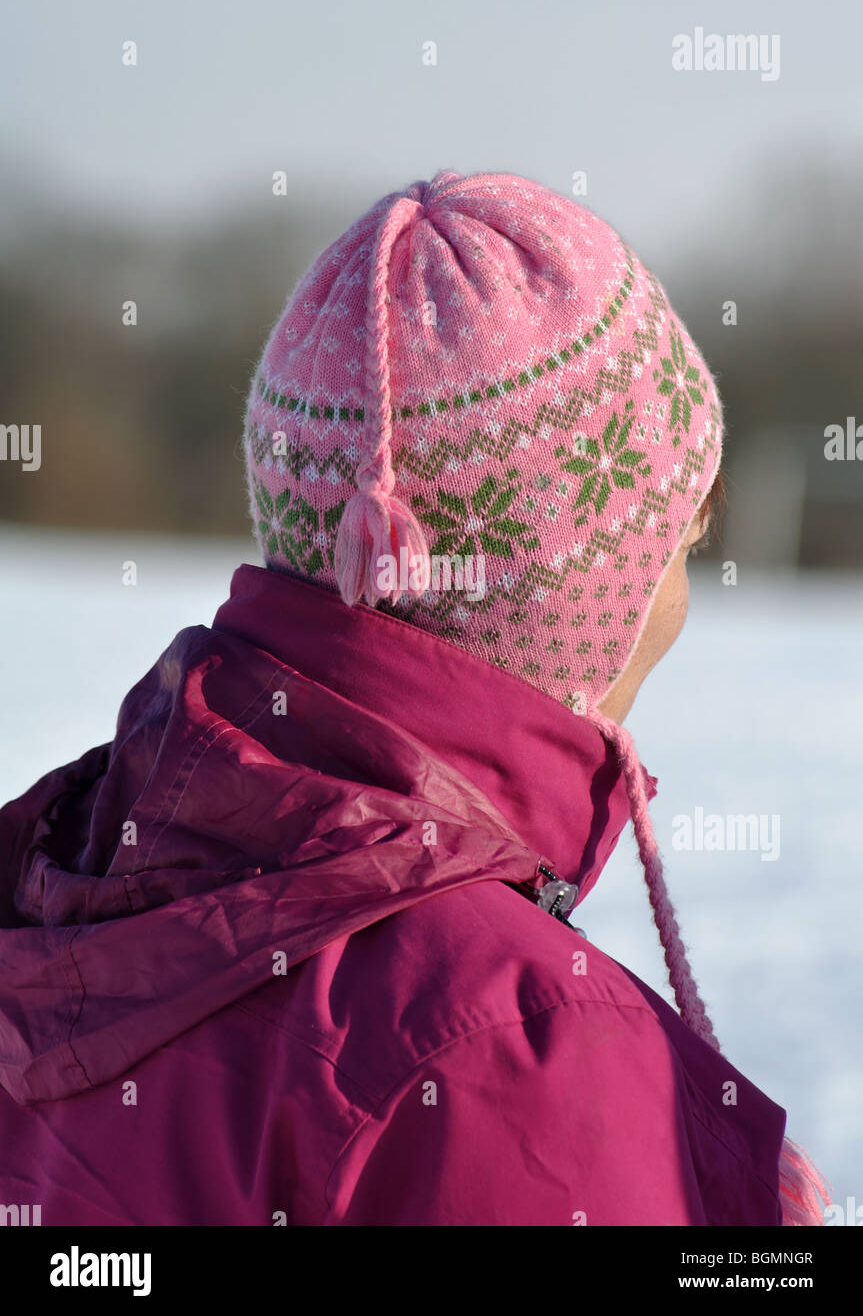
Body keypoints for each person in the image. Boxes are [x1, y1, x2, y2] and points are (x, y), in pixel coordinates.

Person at [0, 169, 828, 1226]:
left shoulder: (58, 878)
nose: (686, 572)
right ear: (580, 588)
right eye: (678, 532)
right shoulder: (522, 1056)